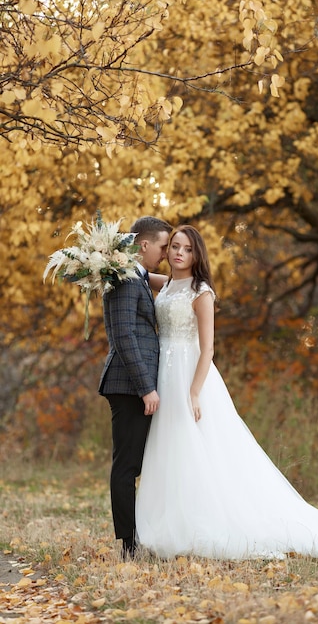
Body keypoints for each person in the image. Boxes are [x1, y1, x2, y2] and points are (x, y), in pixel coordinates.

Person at [135, 224, 318, 570]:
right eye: (175, 247)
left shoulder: (201, 291)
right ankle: (169, 521)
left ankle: (204, 523)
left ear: (197, 254)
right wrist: (107, 261)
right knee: (169, 447)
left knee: (195, 445)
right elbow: (137, 272)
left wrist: (194, 392)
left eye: (187, 249)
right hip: (164, 374)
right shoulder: (165, 285)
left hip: (189, 374)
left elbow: (208, 349)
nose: (179, 253)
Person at [99, 216, 172, 560]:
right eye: (162, 246)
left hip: (132, 383)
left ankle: (134, 537)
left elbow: (165, 280)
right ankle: (128, 545)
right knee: (127, 465)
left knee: (134, 463)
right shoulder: (127, 279)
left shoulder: (136, 275)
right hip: (129, 384)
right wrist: (146, 388)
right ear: (144, 245)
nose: (165, 253)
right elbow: (126, 337)